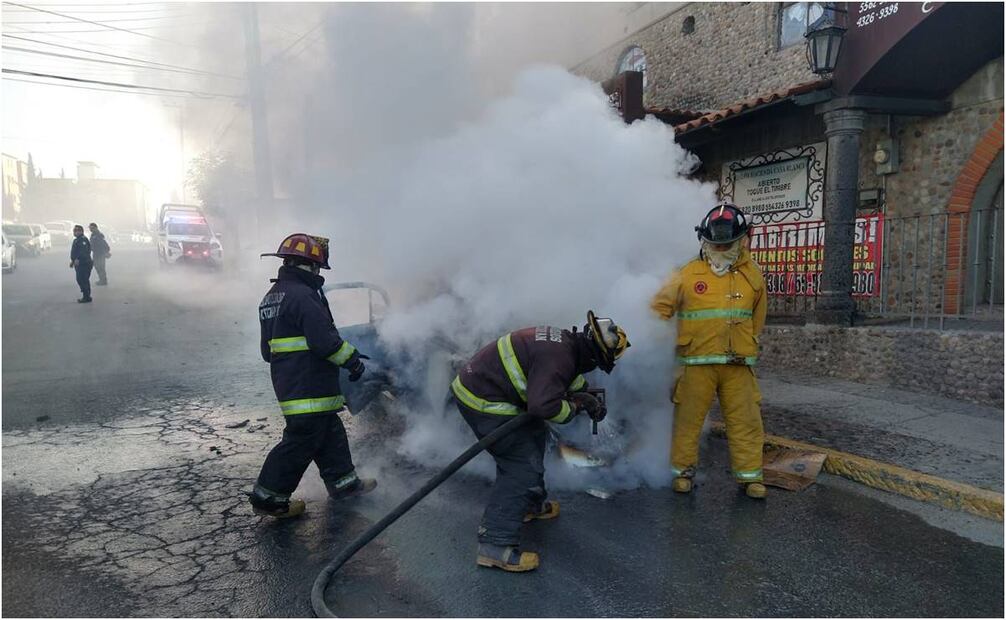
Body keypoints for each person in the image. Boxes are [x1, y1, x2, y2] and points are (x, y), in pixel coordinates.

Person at [451, 311, 629, 572]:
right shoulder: (561, 358)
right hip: (484, 401)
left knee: (535, 437)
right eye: (599, 365)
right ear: (595, 356)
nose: (595, 369)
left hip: (487, 388)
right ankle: (494, 545)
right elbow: (542, 406)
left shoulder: (567, 344)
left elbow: (566, 377)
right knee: (519, 467)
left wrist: (585, 396)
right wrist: (575, 408)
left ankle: (529, 505)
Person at [248, 233, 377, 518]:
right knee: (301, 441)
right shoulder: (304, 297)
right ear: (309, 266)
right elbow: (326, 342)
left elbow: (267, 352)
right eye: (317, 267)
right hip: (309, 387)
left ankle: (344, 484)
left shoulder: (272, 297)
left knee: (330, 432)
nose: (318, 273)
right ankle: (268, 497)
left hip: (293, 383)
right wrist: (354, 362)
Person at [651, 202, 768, 499]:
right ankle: (682, 473)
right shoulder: (686, 273)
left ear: (742, 239)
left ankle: (750, 477)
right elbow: (660, 309)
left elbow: (757, 318)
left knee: (746, 421)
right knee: (688, 422)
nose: (719, 249)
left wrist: (745, 343)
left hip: (738, 363)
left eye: (726, 244)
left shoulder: (753, 275)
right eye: (714, 243)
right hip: (694, 362)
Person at [69, 224, 93, 303]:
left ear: (81, 231)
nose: (74, 232)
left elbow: (84, 251)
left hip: (84, 263)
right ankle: (86, 295)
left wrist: (78, 259)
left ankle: (86, 296)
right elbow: (75, 252)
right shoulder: (76, 240)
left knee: (82, 279)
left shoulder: (83, 240)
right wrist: (72, 261)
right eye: (74, 231)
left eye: (76, 231)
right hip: (79, 264)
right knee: (81, 279)